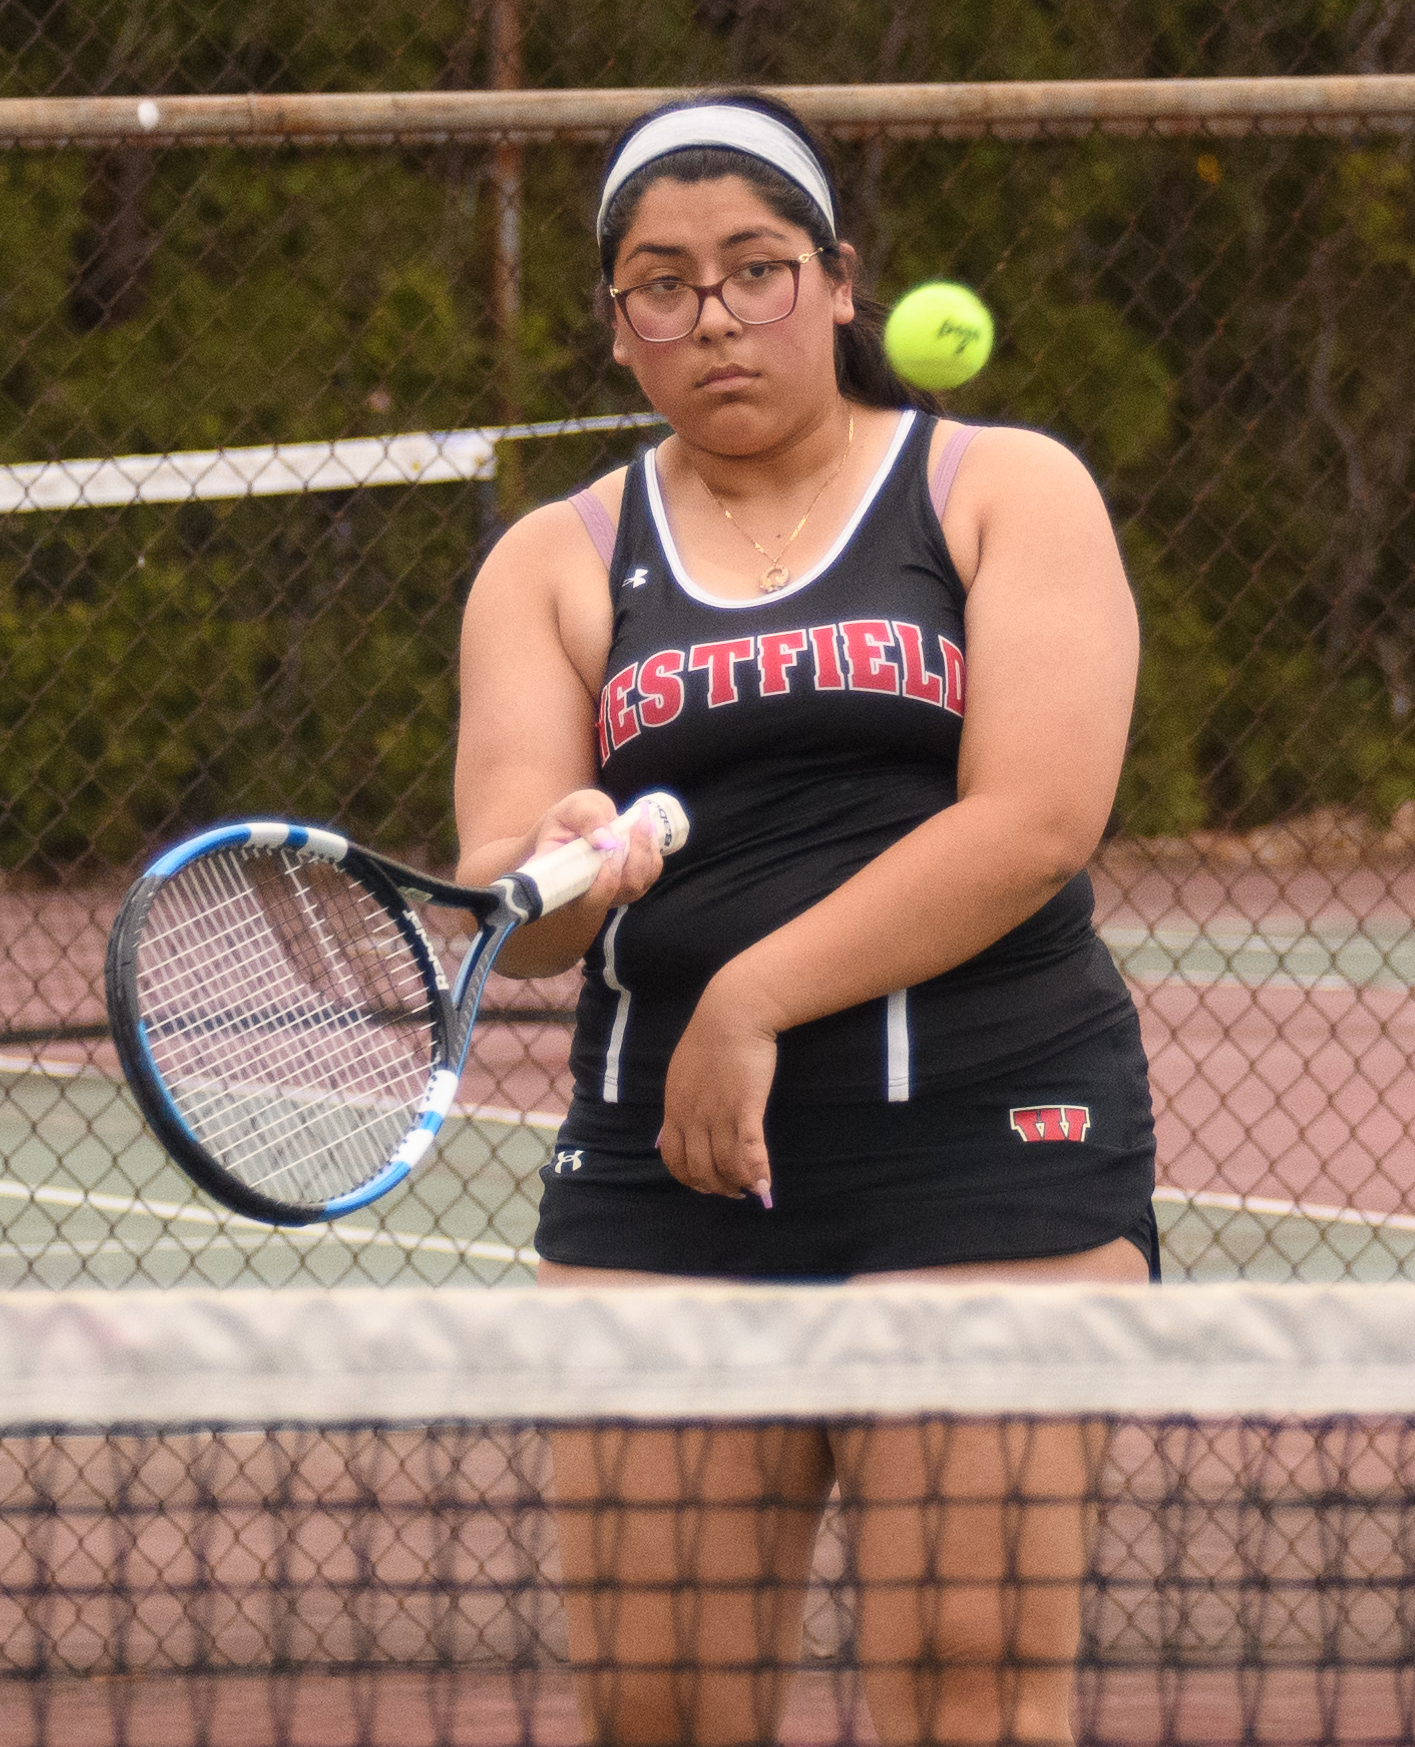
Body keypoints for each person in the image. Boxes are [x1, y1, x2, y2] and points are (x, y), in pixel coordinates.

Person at [454, 92, 1156, 1745]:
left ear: (839, 282)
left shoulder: (1002, 490)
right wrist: (552, 857)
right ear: (616, 322)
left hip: (995, 1147)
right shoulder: (550, 563)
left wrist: (751, 997)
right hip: (659, 1181)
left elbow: (1034, 821)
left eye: (754, 269)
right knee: (660, 1709)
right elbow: (515, 895)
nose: (711, 318)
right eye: (659, 283)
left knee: (965, 1692)